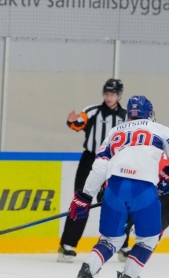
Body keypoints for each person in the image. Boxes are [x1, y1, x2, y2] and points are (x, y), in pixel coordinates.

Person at [67, 95, 169, 278]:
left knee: (110, 240)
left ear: (129, 114)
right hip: (143, 191)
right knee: (147, 240)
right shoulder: (160, 129)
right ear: (150, 113)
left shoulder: (115, 131)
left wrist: (84, 197)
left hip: (114, 189)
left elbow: (99, 167)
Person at [58, 78, 127, 263]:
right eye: (106, 93)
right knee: (81, 200)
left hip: (115, 164)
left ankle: (123, 244)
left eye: (112, 94)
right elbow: (78, 124)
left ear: (119, 95)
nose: (109, 97)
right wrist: (71, 121)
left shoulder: (126, 118)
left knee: (117, 203)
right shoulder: (93, 111)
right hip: (90, 160)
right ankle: (67, 245)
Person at [117, 153, 169, 262]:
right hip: (149, 190)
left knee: (153, 231)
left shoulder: (163, 159)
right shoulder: (141, 156)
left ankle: (136, 257)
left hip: (167, 195)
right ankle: (123, 246)